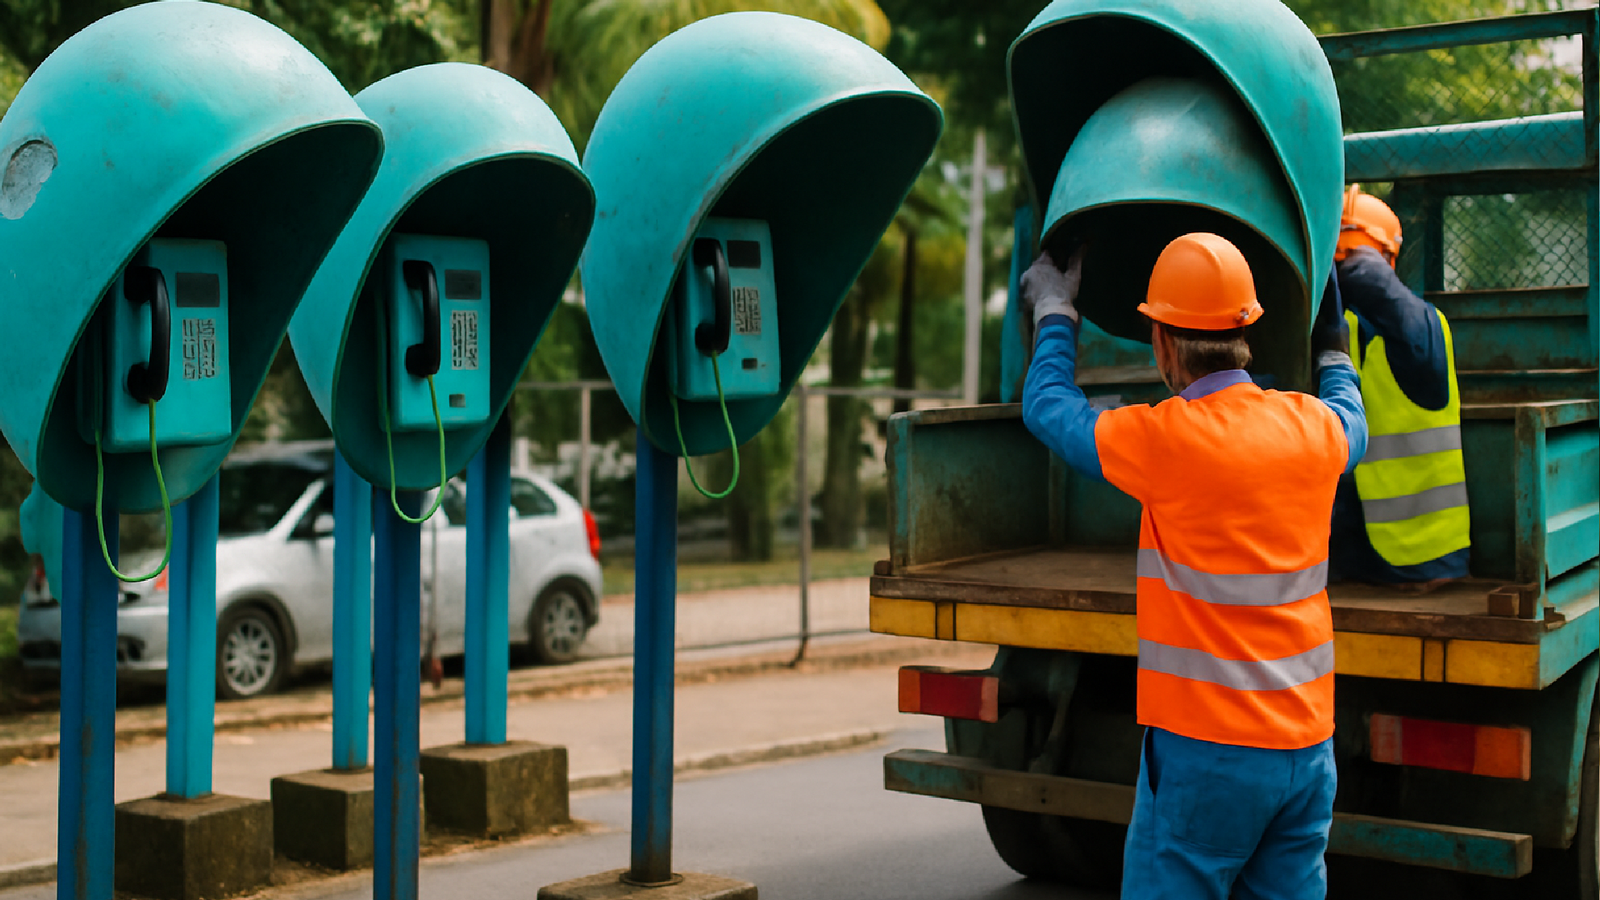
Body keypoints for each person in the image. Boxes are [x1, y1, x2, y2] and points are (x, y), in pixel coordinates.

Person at [1020, 233, 1366, 900]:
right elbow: (1353, 415)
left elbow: (1049, 408)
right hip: (1306, 750)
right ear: (1247, 334)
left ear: (1163, 344)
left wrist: (1055, 312)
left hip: (1209, 755)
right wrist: (1333, 346)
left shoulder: (1165, 440)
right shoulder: (1314, 429)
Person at [1328, 185, 1470, 589]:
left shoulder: (1425, 330)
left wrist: (1344, 263)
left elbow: (1379, 292)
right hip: (1344, 566)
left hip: (1422, 563)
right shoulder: (1333, 334)